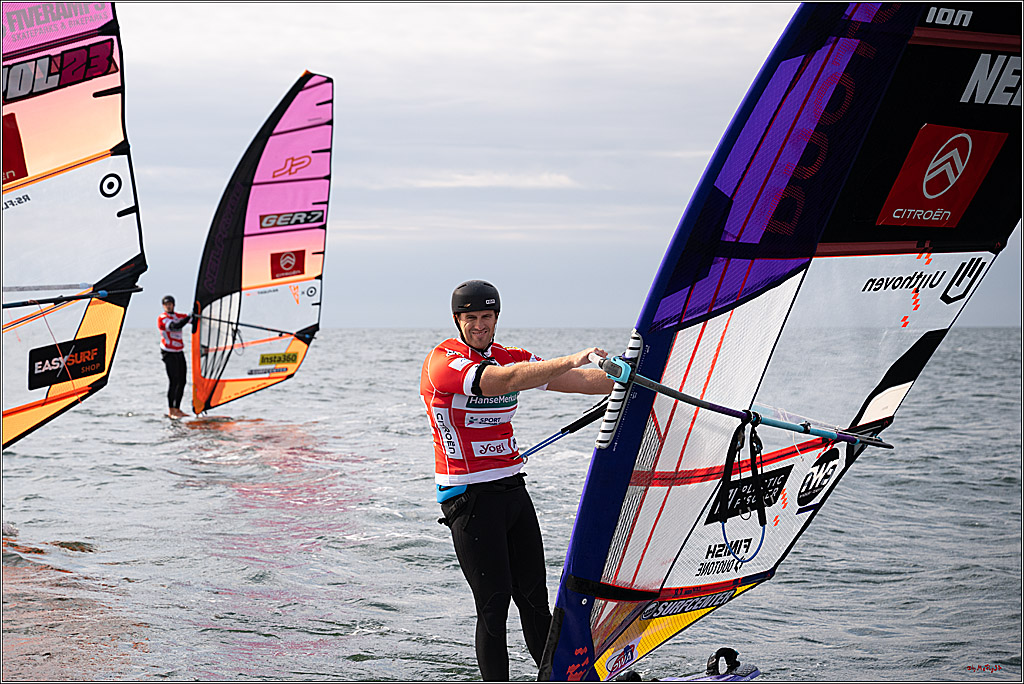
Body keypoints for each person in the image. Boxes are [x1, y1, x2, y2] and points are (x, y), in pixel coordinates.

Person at [420, 280, 613, 680]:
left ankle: (562, 679)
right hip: (469, 497)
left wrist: (635, 379)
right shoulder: (444, 363)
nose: (478, 325)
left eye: (485, 316)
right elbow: (503, 382)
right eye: (470, 317)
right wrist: (575, 357)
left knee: (534, 600)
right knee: (493, 607)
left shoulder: (512, 358)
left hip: (512, 490)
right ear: (457, 320)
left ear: (496, 318)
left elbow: (580, 382)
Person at [157, 295, 191, 418]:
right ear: (163, 306)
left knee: (182, 381)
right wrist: (189, 317)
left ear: (174, 305)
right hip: (168, 352)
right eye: (166, 304)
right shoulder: (162, 318)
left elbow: (193, 320)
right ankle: (171, 410)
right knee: (174, 381)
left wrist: (197, 314)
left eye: (170, 304)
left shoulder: (178, 316)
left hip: (179, 351)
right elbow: (175, 326)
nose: (168, 306)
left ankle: (178, 409)